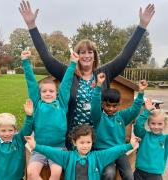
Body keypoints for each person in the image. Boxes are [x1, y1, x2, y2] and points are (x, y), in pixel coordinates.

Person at [19, 1, 155, 134]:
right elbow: (47, 57)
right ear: (76, 55)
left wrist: (142, 26)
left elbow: (124, 56)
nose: (86, 56)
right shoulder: (68, 73)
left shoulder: (104, 73)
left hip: (97, 137)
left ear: (94, 56)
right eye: (82, 52)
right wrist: (31, 25)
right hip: (72, 137)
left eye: (90, 52)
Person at [21, 50, 79, 180]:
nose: (48, 93)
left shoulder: (61, 103)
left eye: (51, 91)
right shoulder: (37, 104)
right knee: (31, 173)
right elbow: (31, 82)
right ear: (40, 93)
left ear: (56, 93)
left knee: (56, 173)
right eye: (44, 91)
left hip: (57, 149)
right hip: (39, 148)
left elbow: (66, 83)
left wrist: (73, 64)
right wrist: (25, 62)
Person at [25, 124, 140, 180]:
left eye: (88, 142)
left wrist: (129, 145)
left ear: (92, 142)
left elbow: (113, 151)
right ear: (75, 143)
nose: (85, 146)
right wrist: (36, 146)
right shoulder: (67, 156)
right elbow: (50, 151)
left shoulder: (97, 157)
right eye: (82, 143)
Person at [90, 73, 147, 179]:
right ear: (102, 104)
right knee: (109, 173)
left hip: (120, 150)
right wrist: (98, 86)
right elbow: (94, 104)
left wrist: (140, 93)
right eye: (108, 105)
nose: (111, 109)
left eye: (114, 106)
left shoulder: (121, 116)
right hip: (103, 151)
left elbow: (134, 110)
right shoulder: (98, 117)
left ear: (119, 104)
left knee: (129, 175)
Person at [0, 99, 33, 180]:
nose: (7, 133)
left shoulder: (19, 139)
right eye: (3, 130)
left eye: (10, 130)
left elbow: (27, 129)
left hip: (18, 178)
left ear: (15, 130)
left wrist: (29, 116)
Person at [134, 98, 168, 180]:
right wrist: (146, 111)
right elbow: (138, 124)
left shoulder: (165, 139)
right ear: (148, 123)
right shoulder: (144, 135)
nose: (156, 127)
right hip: (139, 172)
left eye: (160, 124)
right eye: (153, 123)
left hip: (155, 175)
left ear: (165, 124)